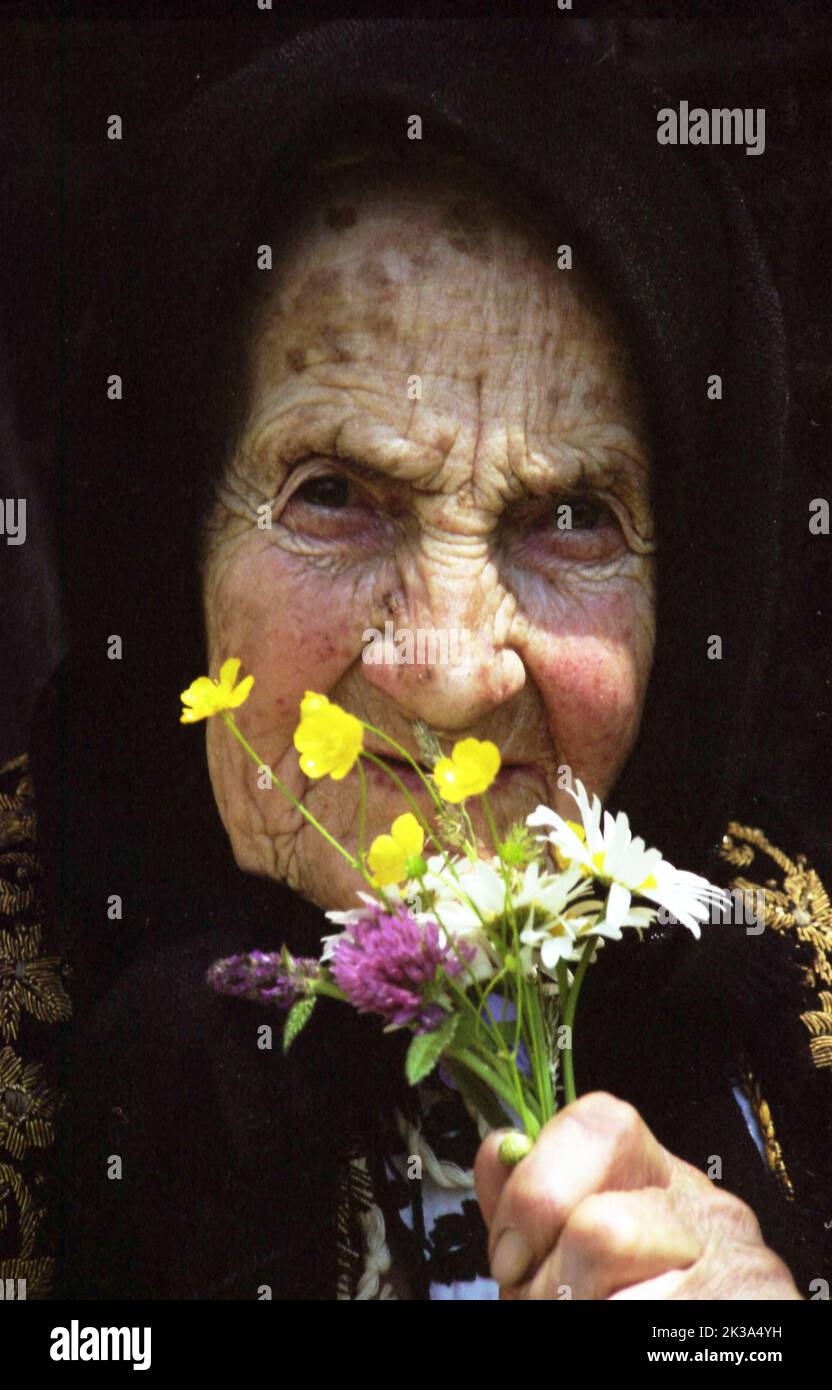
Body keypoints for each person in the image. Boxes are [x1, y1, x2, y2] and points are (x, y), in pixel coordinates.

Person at [2, 19, 829, 1300]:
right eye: (333, 494)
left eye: (571, 517)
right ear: (168, 544)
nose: (449, 676)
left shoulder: (789, 977)